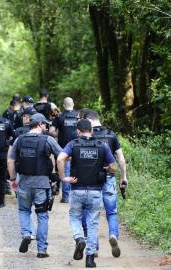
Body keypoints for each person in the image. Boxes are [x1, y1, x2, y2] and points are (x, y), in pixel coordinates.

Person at [57, 119, 117, 268]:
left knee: (75, 217)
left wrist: (63, 177)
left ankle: (79, 238)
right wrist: (105, 170)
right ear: (91, 129)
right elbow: (114, 167)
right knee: (93, 224)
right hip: (96, 191)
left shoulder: (73, 144)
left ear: (78, 131)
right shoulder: (102, 146)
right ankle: (90, 259)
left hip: (77, 189)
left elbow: (60, 158)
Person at [7, 113, 62, 258]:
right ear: (39, 124)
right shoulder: (48, 140)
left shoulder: (19, 139)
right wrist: (59, 176)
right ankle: (42, 250)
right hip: (42, 184)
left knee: (24, 210)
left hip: (24, 183)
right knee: (42, 215)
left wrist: (13, 179)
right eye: (45, 124)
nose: (47, 127)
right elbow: (62, 156)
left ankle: (26, 234)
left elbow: (10, 161)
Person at [82, 109, 128, 258]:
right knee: (112, 211)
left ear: (87, 120)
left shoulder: (87, 135)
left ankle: (93, 248)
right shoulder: (111, 135)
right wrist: (123, 177)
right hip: (109, 178)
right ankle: (113, 235)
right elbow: (120, 158)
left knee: (91, 213)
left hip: (92, 180)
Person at [49, 97, 78, 203]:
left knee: (65, 170)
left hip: (63, 147)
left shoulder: (59, 116)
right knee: (77, 169)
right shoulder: (78, 116)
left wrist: (58, 134)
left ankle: (65, 196)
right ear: (73, 104)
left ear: (64, 106)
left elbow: (51, 130)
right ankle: (76, 195)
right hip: (78, 146)